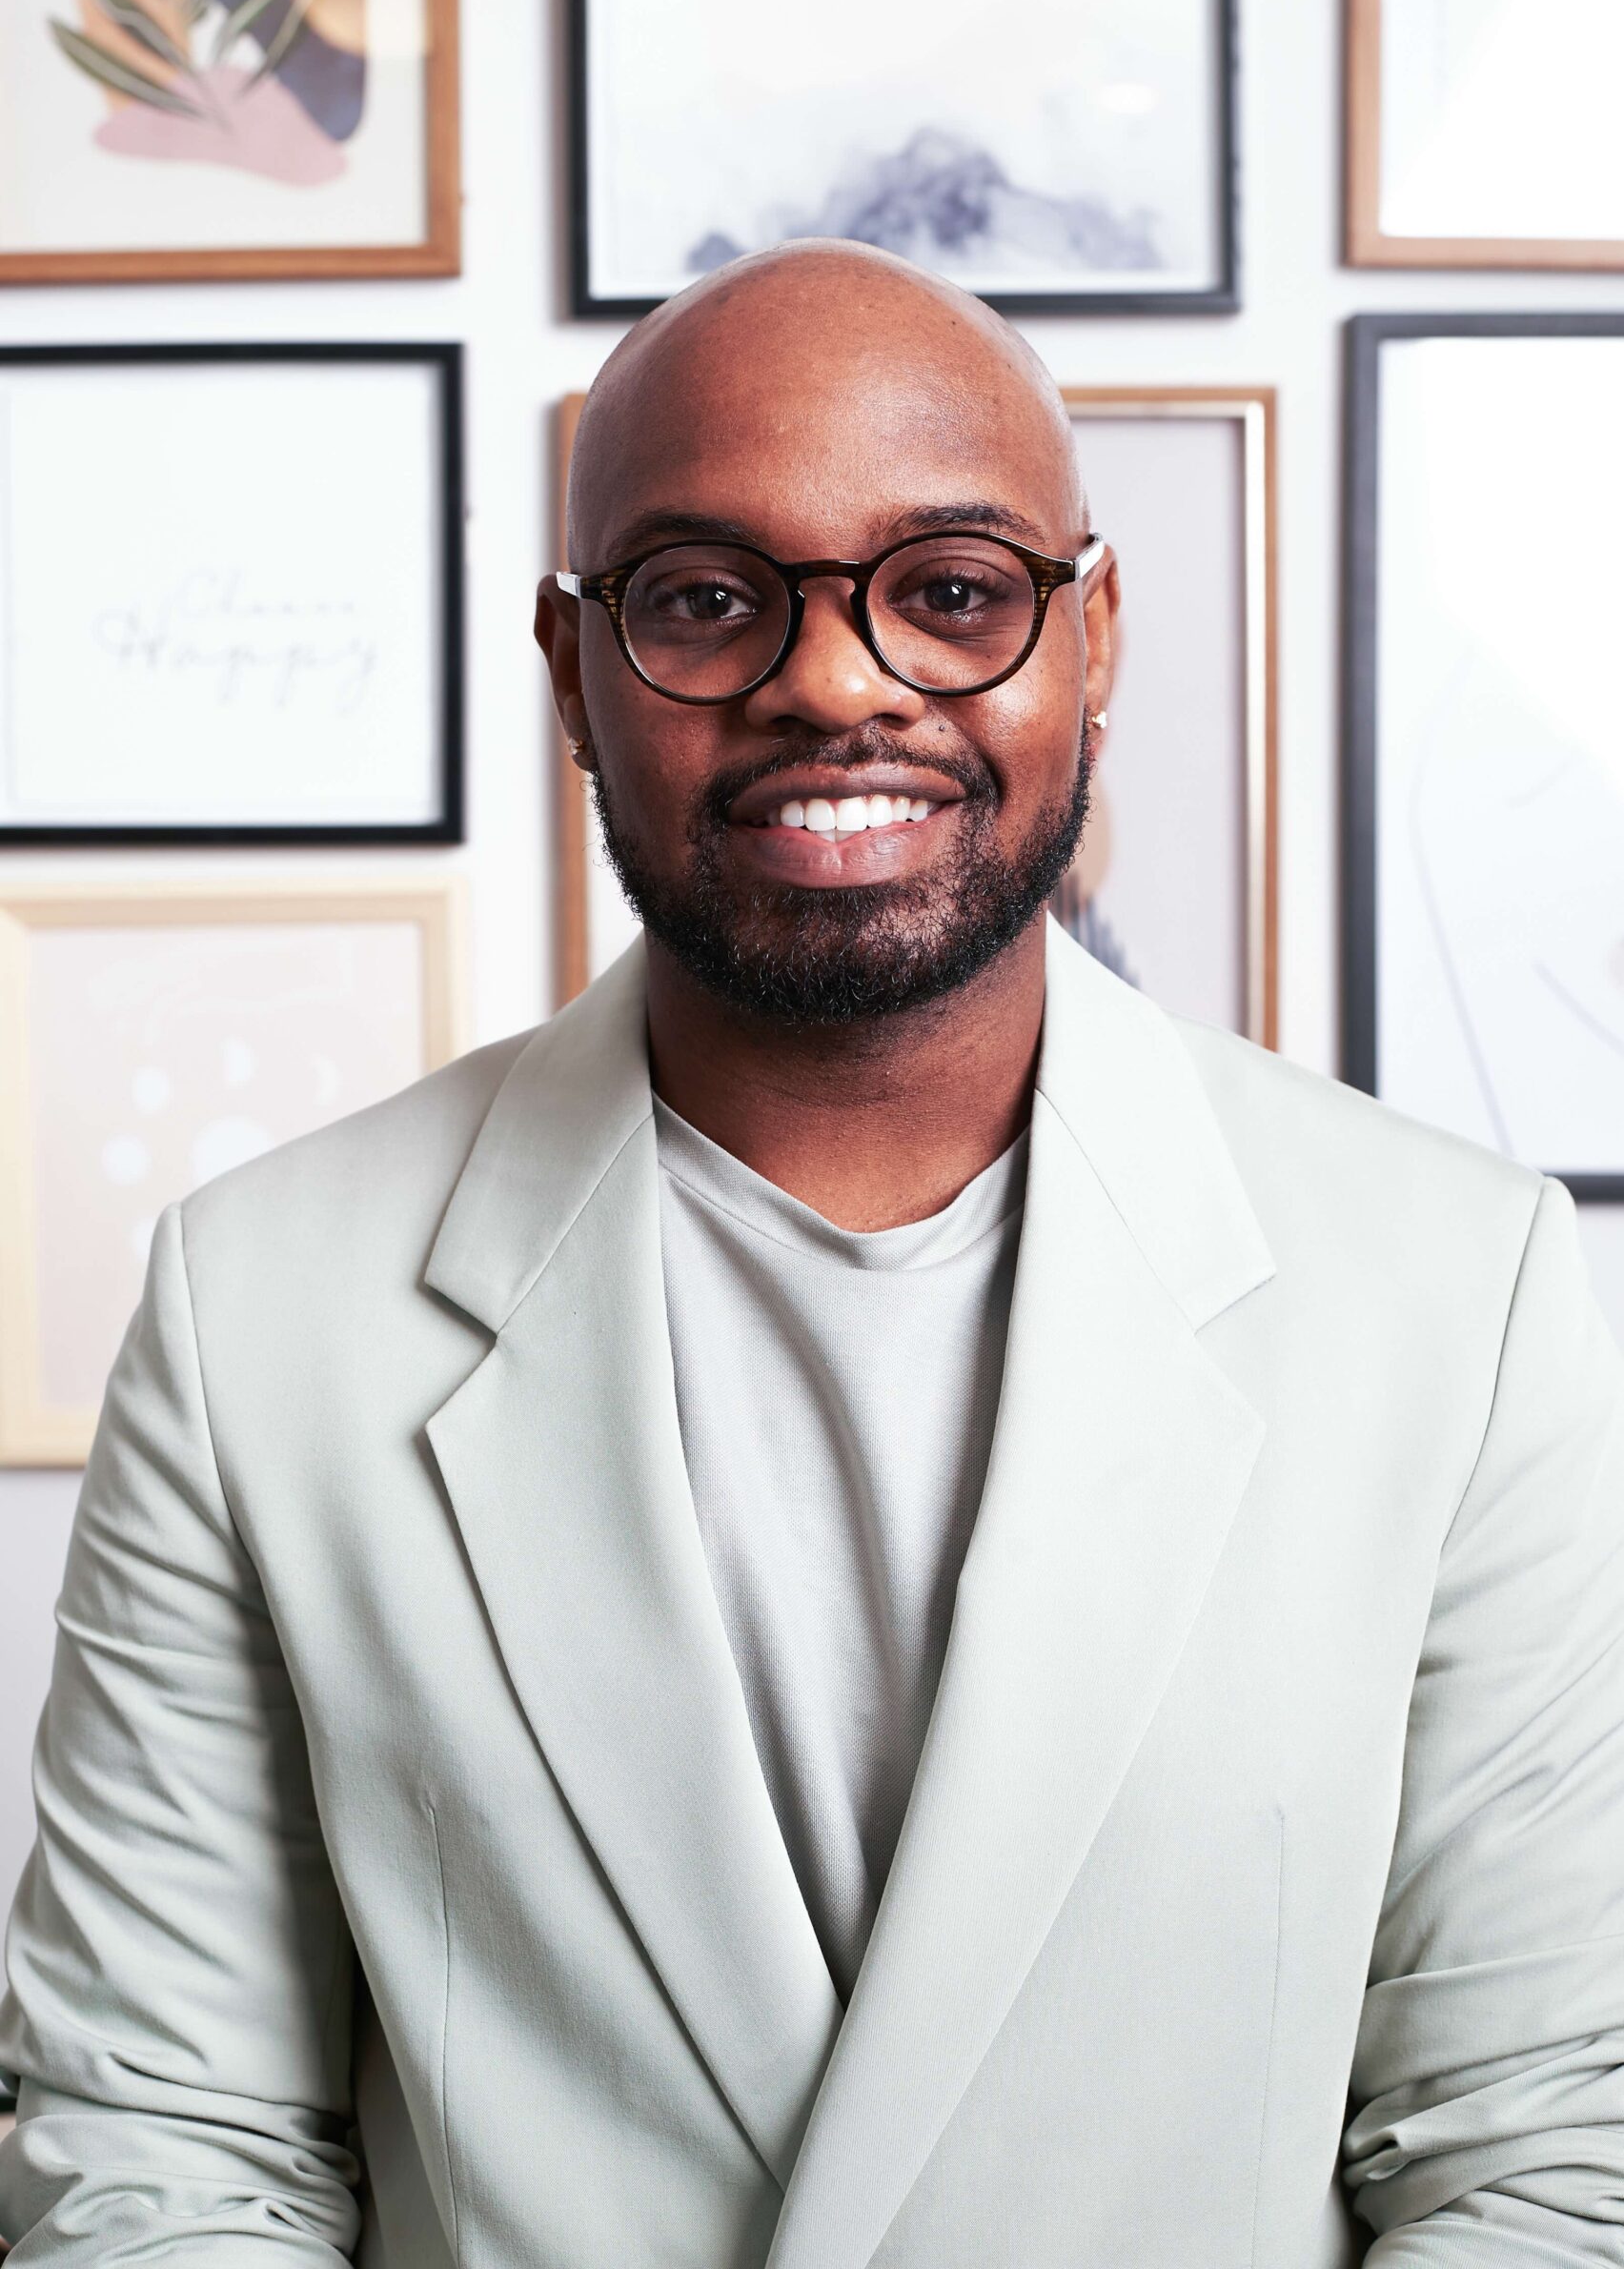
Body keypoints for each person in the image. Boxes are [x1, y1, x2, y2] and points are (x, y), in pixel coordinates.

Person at [2, 242, 1621, 2268]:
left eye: (948, 589)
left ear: (1092, 635)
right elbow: (156, 2146)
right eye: (703, 598)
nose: (835, 680)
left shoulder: (1450, 1292)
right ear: (571, 666)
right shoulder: (263, 1309)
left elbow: (1544, 2144)